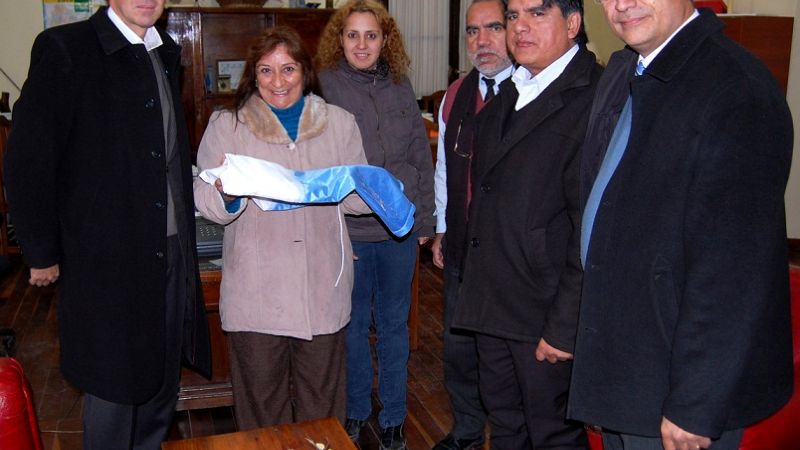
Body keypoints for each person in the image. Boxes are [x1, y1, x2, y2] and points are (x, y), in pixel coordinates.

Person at [568, 1, 795, 449]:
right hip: (627, 362)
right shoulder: (629, 68)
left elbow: (734, 274)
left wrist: (696, 404)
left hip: (676, 385)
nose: (623, 3)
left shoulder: (735, 89)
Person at [3, 0, 211, 448]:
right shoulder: (66, 48)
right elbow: (28, 159)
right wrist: (40, 250)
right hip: (105, 260)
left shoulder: (164, 50)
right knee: (115, 391)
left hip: (170, 251)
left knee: (160, 386)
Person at [194, 26, 372, 429]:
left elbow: (357, 203)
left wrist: (372, 190)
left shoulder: (340, 124)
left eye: (288, 69)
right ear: (252, 75)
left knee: (322, 410)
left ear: (305, 72)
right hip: (256, 296)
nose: (278, 82)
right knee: (262, 410)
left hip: (321, 288)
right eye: (266, 70)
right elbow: (204, 201)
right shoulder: (228, 127)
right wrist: (227, 194)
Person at [450, 0, 601, 448]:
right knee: (507, 425)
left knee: (552, 434)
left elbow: (590, 228)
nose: (520, 28)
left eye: (537, 14)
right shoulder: (509, 92)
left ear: (573, 23)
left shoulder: (596, 96)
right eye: (513, 16)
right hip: (494, 304)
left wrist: (564, 324)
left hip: (545, 312)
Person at [316, 1, 436, 448]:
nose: (361, 44)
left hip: (400, 231)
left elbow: (420, 159)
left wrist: (425, 219)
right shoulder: (324, 87)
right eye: (352, 35)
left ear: (386, 40)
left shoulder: (401, 86)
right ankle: (355, 411)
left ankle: (394, 418)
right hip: (349, 235)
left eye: (371, 35)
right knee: (351, 327)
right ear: (339, 40)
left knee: (393, 327)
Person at [430, 1, 512, 449]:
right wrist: (443, 227)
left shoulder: (530, 89)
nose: (482, 41)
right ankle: (465, 431)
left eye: (493, 28)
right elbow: (445, 167)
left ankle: (506, 436)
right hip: (461, 244)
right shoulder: (456, 94)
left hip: (508, 254)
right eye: (472, 31)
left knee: (502, 354)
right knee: (459, 348)